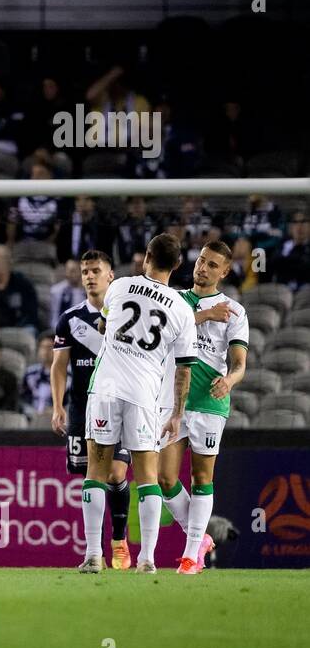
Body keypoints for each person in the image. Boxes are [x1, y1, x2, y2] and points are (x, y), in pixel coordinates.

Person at [80, 233, 198, 575]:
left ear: (146, 257)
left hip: (105, 388)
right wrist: (176, 414)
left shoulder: (120, 287)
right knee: (147, 477)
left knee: (96, 473)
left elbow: (104, 324)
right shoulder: (181, 308)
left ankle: (92, 555)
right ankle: (147, 559)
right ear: (177, 266)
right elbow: (184, 370)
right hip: (144, 396)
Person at [156, 240, 249, 575]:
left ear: (224, 272)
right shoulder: (176, 299)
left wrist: (231, 381)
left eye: (212, 265)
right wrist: (206, 315)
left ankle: (191, 555)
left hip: (210, 403)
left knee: (201, 477)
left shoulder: (235, 311)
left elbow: (239, 363)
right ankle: (200, 540)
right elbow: (164, 334)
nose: (203, 268)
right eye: (201, 261)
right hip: (173, 401)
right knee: (164, 477)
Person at [51, 250, 132, 569]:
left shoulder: (125, 316)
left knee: (115, 472)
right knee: (91, 476)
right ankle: (93, 551)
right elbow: (59, 366)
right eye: (85, 271)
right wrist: (57, 406)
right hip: (82, 409)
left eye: (96, 270)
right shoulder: (70, 319)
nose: (89, 276)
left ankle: (119, 540)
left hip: (120, 406)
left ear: (110, 275)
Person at [275, 211, 310, 290]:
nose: (299, 226)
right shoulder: (283, 244)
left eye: (303, 222)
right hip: (281, 289)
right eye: (295, 222)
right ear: (290, 227)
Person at [21, 333, 55, 416]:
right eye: (42, 347)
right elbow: (22, 399)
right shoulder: (30, 373)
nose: (45, 351)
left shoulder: (71, 375)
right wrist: (32, 412)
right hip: (33, 417)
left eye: (50, 347)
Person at [50, 259, 83, 329]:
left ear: (80, 272)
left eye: (73, 271)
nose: (69, 274)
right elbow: (53, 316)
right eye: (67, 270)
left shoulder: (86, 292)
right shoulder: (56, 291)